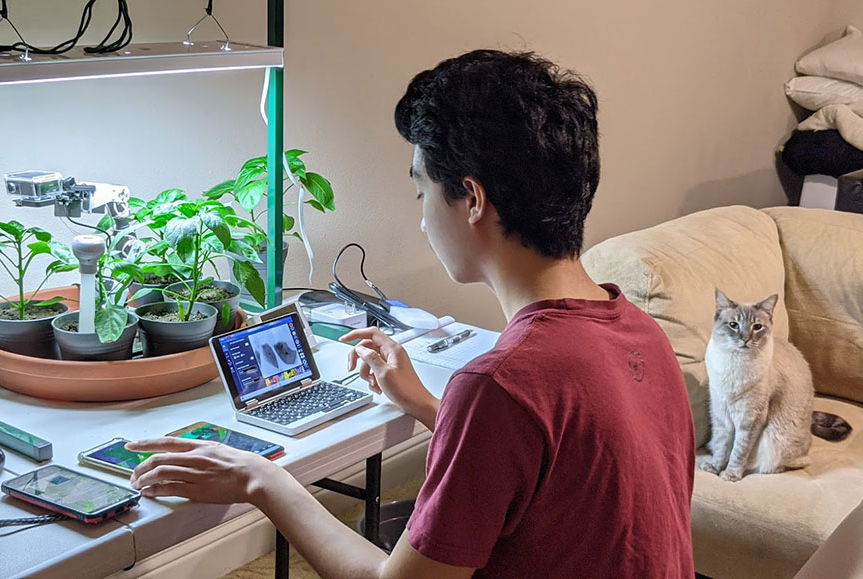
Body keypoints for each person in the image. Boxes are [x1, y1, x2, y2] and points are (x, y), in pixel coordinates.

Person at [128, 49, 695, 578]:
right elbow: (550, 466)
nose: (422, 219)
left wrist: (263, 480)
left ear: (472, 199)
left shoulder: (501, 384)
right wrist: (426, 405)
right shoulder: (639, 331)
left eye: (421, 192)